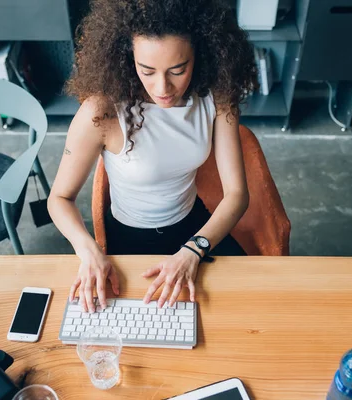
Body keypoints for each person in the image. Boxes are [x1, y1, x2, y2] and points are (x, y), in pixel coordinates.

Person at [48, 0, 257, 313]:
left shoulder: (217, 98)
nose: (163, 88)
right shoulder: (101, 112)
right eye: (147, 70)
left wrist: (193, 250)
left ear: (200, 55)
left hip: (195, 229)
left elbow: (237, 195)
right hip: (130, 239)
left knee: (247, 306)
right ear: (126, 56)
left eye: (178, 70)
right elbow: (59, 198)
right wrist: (87, 248)